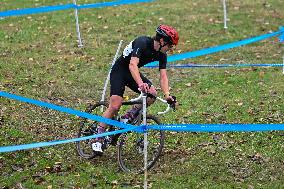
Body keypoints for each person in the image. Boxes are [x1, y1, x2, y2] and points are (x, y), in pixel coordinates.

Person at [92, 24, 179, 155]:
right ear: (162, 41)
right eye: (170, 45)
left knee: (152, 94)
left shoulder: (162, 54)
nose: (170, 49)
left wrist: (167, 95)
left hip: (132, 73)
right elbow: (132, 65)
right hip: (120, 71)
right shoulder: (142, 42)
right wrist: (140, 84)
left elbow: (163, 76)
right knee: (115, 105)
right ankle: (97, 137)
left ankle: (127, 118)